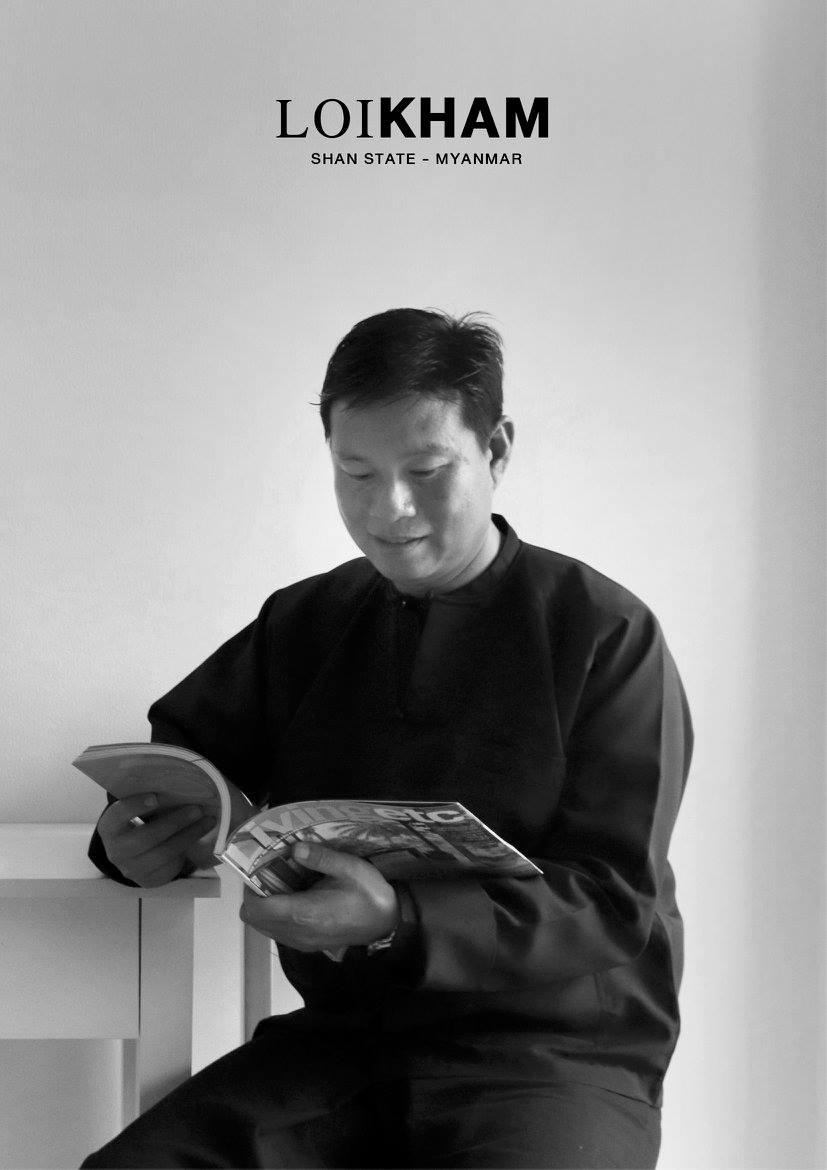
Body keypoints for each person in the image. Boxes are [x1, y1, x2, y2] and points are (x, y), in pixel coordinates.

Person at [82, 308, 693, 1169]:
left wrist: (399, 918)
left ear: (497, 450)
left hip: (552, 1058)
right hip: (343, 1043)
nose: (389, 508)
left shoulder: (602, 632)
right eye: (355, 473)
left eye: (426, 470)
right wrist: (132, 842)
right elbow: (184, 763)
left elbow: (614, 900)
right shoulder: (304, 621)